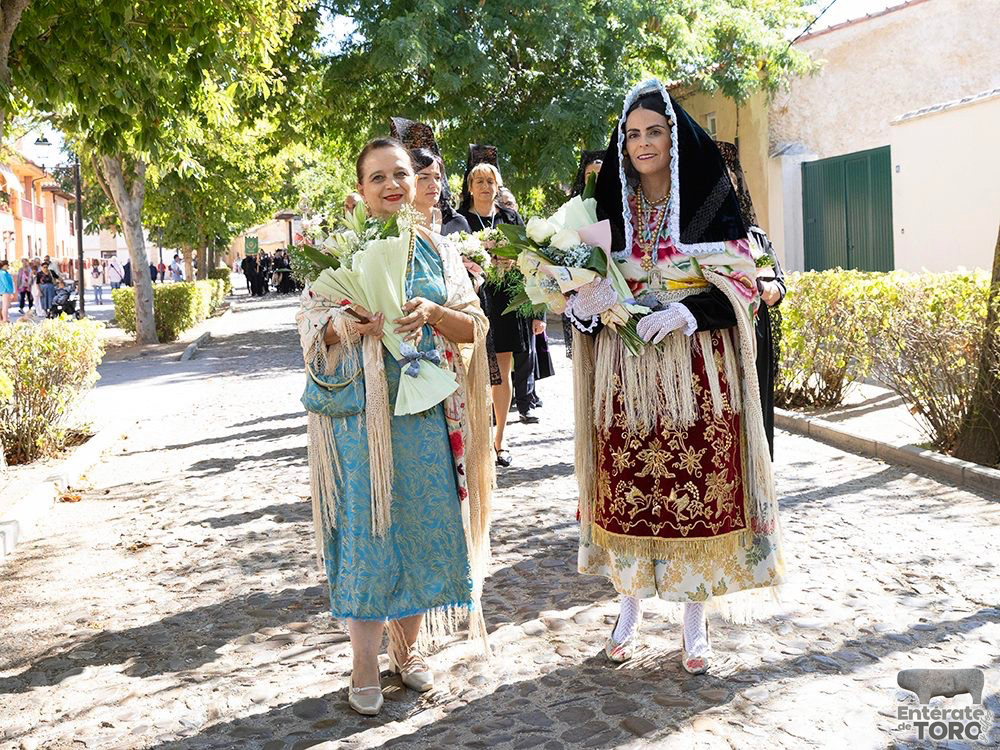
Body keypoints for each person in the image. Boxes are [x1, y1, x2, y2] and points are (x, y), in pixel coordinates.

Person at [570, 80, 784, 672]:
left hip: (697, 370)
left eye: (654, 131)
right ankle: (629, 609)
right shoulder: (605, 209)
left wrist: (688, 311)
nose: (642, 143)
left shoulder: (713, 203)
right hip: (626, 374)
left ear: (673, 137)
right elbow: (584, 282)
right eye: (631, 134)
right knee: (632, 487)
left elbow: (747, 284)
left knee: (693, 486)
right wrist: (584, 310)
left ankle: (695, 622)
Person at [296, 137, 494, 717]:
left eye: (400, 174)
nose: (390, 185)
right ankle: (363, 661)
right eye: (377, 176)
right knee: (369, 530)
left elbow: (474, 326)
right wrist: (341, 326)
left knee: (421, 525)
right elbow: (309, 325)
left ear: (416, 181)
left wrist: (432, 314)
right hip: (361, 425)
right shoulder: (340, 251)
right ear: (359, 190)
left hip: (426, 415)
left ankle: (407, 653)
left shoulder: (437, 250)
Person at [458, 151, 534, 463]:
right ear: (470, 186)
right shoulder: (460, 219)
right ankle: (476, 439)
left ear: (498, 185)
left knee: (502, 372)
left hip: (504, 301)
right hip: (474, 300)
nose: (486, 186)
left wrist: (513, 260)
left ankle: (498, 442)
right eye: (479, 181)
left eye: (491, 181)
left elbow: (530, 256)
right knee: (474, 373)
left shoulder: (510, 219)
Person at [717, 141, 786, 458]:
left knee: (756, 408)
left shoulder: (755, 236)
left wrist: (772, 287)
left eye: (728, 177)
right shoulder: (697, 239)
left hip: (755, 333)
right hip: (719, 336)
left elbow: (775, 278)